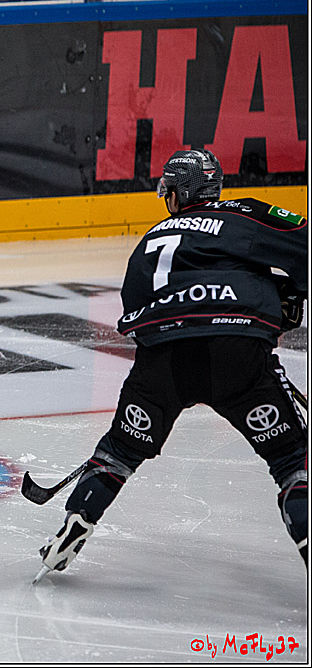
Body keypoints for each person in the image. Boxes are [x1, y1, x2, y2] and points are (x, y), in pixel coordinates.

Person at [36, 148, 308, 580]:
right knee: (294, 457)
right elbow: (304, 245)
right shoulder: (242, 214)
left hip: (163, 358)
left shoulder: (151, 239)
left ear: (178, 191)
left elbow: (135, 312)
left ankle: (78, 520)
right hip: (234, 346)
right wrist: (287, 298)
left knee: (119, 451)